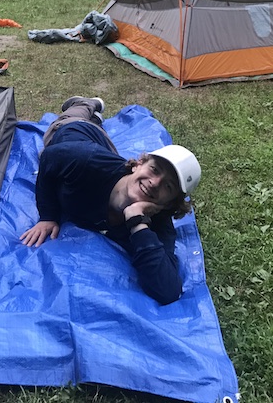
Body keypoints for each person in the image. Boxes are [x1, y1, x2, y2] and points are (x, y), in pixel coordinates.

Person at [20, 96, 201, 305]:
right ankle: (87, 104)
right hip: (72, 131)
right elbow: (50, 157)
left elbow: (168, 290)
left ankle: (96, 120)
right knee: (75, 117)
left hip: (103, 145)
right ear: (137, 164)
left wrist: (138, 224)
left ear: (170, 203)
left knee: (99, 136)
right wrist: (48, 216)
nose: (154, 183)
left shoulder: (158, 224)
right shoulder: (85, 159)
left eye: (168, 186)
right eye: (154, 169)